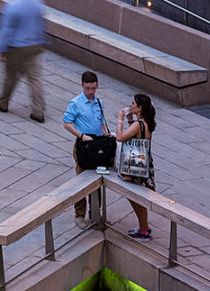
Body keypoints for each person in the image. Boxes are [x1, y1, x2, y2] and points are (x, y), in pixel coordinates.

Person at [0, 0, 47, 122]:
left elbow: (7, 30)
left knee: (11, 76)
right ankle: (38, 111)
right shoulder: (38, 4)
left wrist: (1, 49)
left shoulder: (12, 7)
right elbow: (42, 26)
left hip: (16, 47)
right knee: (35, 78)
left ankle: (3, 102)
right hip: (34, 45)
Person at [63, 71, 110, 222]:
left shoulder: (99, 103)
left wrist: (105, 134)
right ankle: (80, 214)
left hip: (97, 145)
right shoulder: (75, 103)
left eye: (93, 88)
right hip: (84, 146)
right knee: (82, 181)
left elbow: (101, 122)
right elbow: (66, 123)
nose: (90, 92)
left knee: (98, 178)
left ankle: (95, 214)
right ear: (82, 86)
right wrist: (81, 135)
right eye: (88, 88)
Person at [117, 93, 158, 238]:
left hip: (135, 165)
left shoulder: (138, 124)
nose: (130, 105)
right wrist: (130, 120)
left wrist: (120, 121)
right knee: (137, 196)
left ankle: (143, 230)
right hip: (144, 162)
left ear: (139, 108)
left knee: (134, 196)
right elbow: (137, 136)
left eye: (133, 103)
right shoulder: (146, 122)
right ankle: (144, 227)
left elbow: (120, 137)